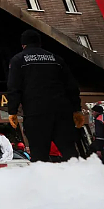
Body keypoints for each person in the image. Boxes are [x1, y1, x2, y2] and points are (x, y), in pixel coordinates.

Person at [7, 29, 84, 163]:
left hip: (36, 113)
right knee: (69, 151)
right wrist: (77, 109)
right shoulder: (57, 59)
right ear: (40, 43)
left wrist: (12, 111)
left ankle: (43, 181)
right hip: (62, 112)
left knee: (39, 155)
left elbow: (14, 87)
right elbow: (72, 86)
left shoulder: (18, 60)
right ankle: (80, 180)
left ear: (23, 45)